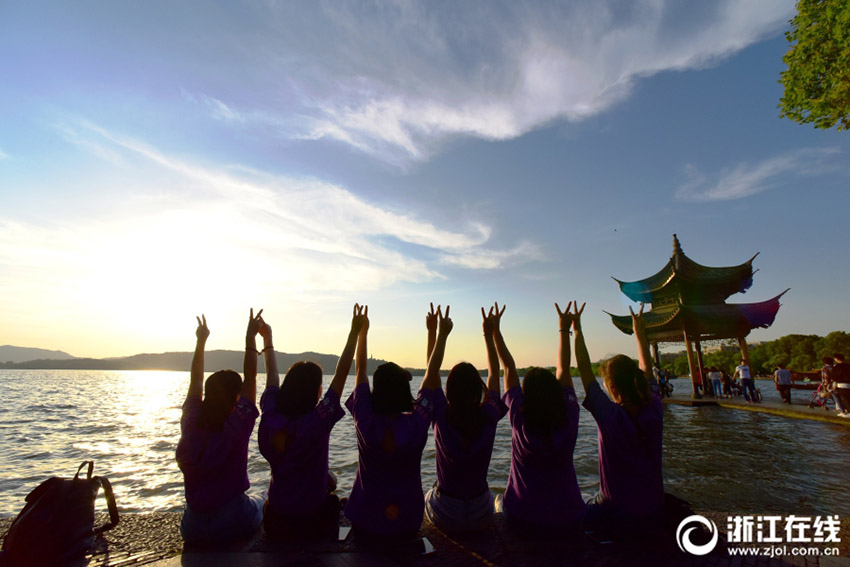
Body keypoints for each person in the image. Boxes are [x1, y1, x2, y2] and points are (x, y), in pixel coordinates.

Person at [259, 305, 367, 540]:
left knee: (328, 479)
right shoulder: (318, 420)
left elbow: (271, 376)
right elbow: (341, 374)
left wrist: (267, 339)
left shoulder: (271, 414)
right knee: (332, 485)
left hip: (276, 520)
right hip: (313, 522)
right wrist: (354, 333)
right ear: (317, 391)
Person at [344, 306, 440, 542]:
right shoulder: (417, 422)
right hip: (407, 524)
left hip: (365, 522)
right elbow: (431, 376)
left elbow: (360, 370)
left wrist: (362, 332)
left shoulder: (364, 418)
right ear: (404, 391)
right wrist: (434, 334)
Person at [573, 303, 664, 541]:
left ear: (611, 386)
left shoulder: (609, 415)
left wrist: (576, 330)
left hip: (614, 512)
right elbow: (647, 367)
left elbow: (584, 369)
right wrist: (640, 333)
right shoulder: (655, 408)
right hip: (653, 508)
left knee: (576, 508)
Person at [176, 311, 264, 546]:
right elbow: (251, 376)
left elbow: (195, 381)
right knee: (263, 497)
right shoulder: (238, 422)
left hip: (192, 526)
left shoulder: (191, 418)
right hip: (231, 521)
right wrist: (250, 336)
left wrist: (201, 341)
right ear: (236, 397)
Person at [496, 303, 584, 535]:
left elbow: (508, 368)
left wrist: (494, 331)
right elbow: (564, 369)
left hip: (522, 517)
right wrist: (565, 329)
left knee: (496, 502)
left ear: (526, 395)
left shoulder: (519, 415)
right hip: (568, 517)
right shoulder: (570, 415)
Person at [424, 303, 508, 533]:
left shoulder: (441, 414)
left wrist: (435, 333)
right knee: (497, 500)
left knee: (428, 495)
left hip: (446, 511)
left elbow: (431, 375)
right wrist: (489, 334)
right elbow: (494, 374)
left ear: (449, 390)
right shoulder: (489, 415)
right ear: (477, 390)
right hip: (481, 510)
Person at [831, 353, 850, 418]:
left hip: (841, 384)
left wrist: (834, 382)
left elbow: (833, 376)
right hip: (849, 384)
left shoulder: (837, 366)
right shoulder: (848, 365)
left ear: (836, 359)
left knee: (844, 399)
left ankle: (848, 412)